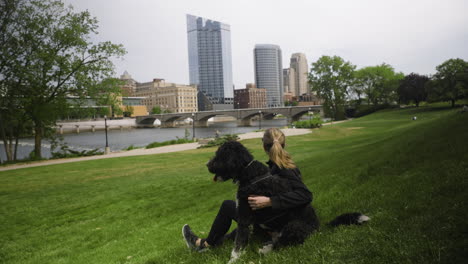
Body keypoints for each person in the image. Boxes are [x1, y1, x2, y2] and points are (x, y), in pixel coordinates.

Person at [183, 128, 313, 251]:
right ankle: (210, 242)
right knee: (243, 215)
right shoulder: (277, 166)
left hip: (279, 222)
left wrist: (270, 201)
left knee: (228, 207)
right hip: (273, 218)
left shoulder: (284, 168)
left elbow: (305, 195)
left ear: (263, 145)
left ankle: (203, 244)